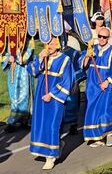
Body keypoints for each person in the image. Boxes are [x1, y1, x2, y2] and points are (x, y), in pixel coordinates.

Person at [28, 36, 73, 170]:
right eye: (48, 44)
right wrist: (40, 58)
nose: (49, 46)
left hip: (54, 97)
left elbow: (67, 81)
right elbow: (33, 71)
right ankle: (52, 145)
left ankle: (51, 156)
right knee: (41, 123)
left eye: (52, 44)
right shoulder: (43, 55)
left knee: (52, 125)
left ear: (58, 46)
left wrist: (52, 94)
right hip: (41, 95)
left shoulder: (65, 60)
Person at [80, 27, 112, 147]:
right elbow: (82, 65)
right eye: (100, 36)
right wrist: (88, 57)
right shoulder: (92, 49)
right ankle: (96, 137)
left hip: (106, 85)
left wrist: (107, 81)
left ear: (108, 38)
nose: (102, 39)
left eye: (104, 37)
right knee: (93, 111)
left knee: (105, 110)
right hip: (92, 85)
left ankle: (109, 134)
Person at [2, 39, 34, 132]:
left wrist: (16, 56)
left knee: (25, 96)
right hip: (13, 72)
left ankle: (26, 120)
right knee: (13, 96)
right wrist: (8, 59)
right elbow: (5, 54)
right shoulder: (11, 40)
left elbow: (26, 58)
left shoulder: (29, 41)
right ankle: (15, 120)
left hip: (24, 72)